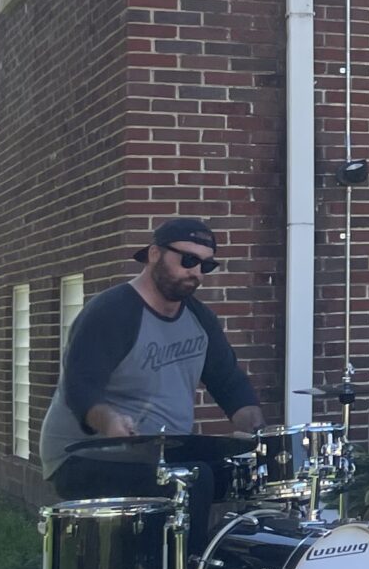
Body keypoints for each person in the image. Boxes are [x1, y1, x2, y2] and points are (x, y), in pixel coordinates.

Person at [40, 217, 263, 530]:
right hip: (85, 455)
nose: (196, 273)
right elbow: (81, 388)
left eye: (205, 266)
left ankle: (221, 568)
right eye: (188, 260)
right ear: (155, 254)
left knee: (247, 472)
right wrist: (110, 421)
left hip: (162, 452)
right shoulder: (112, 312)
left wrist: (256, 433)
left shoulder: (200, 319)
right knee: (194, 479)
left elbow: (229, 382)